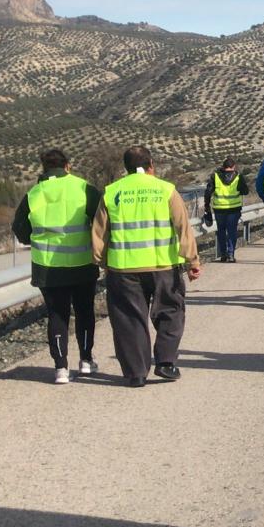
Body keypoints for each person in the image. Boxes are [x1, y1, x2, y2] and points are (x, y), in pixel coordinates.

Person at [91, 145, 201, 387]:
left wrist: (100, 261)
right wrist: (192, 260)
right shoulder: (166, 190)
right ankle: (166, 361)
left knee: (129, 320)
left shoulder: (112, 192)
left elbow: (99, 233)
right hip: (163, 266)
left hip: (124, 269)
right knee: (171, 312)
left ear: (126, 168)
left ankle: (136, 373)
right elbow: (183, 227)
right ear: (151, 165)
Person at [12, 148, 102, 383]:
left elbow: (20, 230)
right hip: (82, 264)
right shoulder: (84, 188)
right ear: (67, 166)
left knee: (57, 315)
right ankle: (85, 360)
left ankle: (60, 368)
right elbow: (102, 221)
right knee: (84, 312)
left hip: (47, 268)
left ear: (43, 168)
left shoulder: (33, 194)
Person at [201, 158, 249, 262]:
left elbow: (208, 192)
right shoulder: (238, 177)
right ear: (234, 166)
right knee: (232, 231)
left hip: (219, 209)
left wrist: (206, 206)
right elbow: (245, 191)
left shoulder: (215, 176)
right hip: (234, 209)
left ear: (223, 166)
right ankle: (231, 255)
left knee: (221, 231)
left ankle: (223, 255)